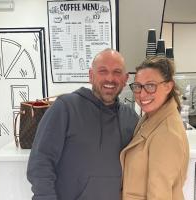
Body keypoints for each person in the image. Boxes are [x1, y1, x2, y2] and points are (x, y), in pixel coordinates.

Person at [27, 48, 139, 200]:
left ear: (125, 79)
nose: (110, 78)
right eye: (103, 71)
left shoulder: (131, 118)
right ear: (91, 76)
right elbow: (41, 161)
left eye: (117, 72)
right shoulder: (65, 108)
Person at [120, 56, 189, 200]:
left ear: (168, 86)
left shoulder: (167, 133)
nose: (142, 94)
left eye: (150, 86)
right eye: (138, 86)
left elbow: (159, 195)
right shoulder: (151, 117)